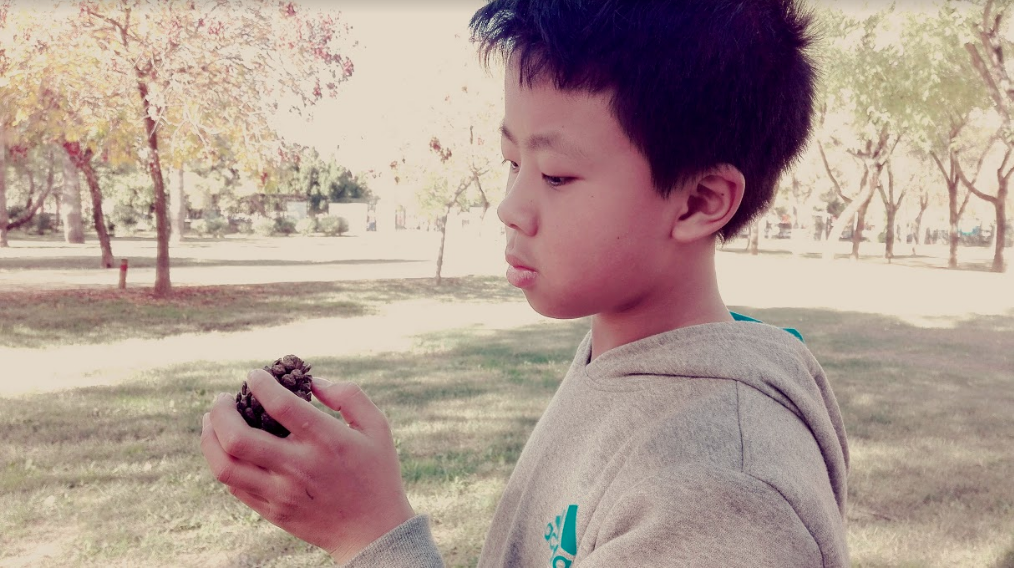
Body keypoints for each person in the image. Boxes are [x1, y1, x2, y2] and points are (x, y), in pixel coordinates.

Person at [200, 0, 850, 565]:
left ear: (700, 201)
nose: (509, 207)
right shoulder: (624, 361)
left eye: (556, 175)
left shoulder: (721, 495)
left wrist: (369, 532)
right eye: (512, 162)